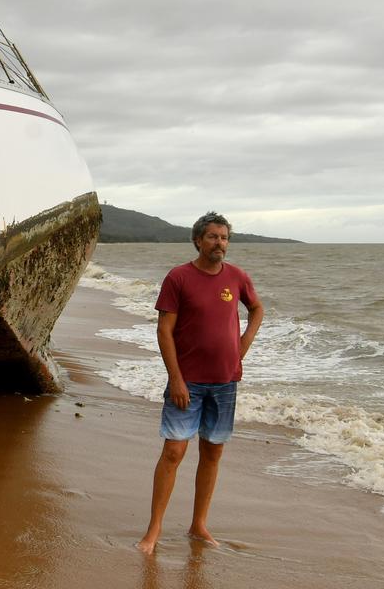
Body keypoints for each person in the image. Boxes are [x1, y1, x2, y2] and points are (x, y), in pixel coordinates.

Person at [136, 211, 264, 554]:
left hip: (225, 382)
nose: (219, 243)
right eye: (213, 237)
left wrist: (242, 347)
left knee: (212, 452)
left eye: (224, 237)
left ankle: (198, 525)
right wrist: (175, 379)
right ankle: (154, 531)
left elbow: (257, 310)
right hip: (187, 382)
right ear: (198, 240)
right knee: (174, 451)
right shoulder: (178, 277)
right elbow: (164, 330)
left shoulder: (237, 277)